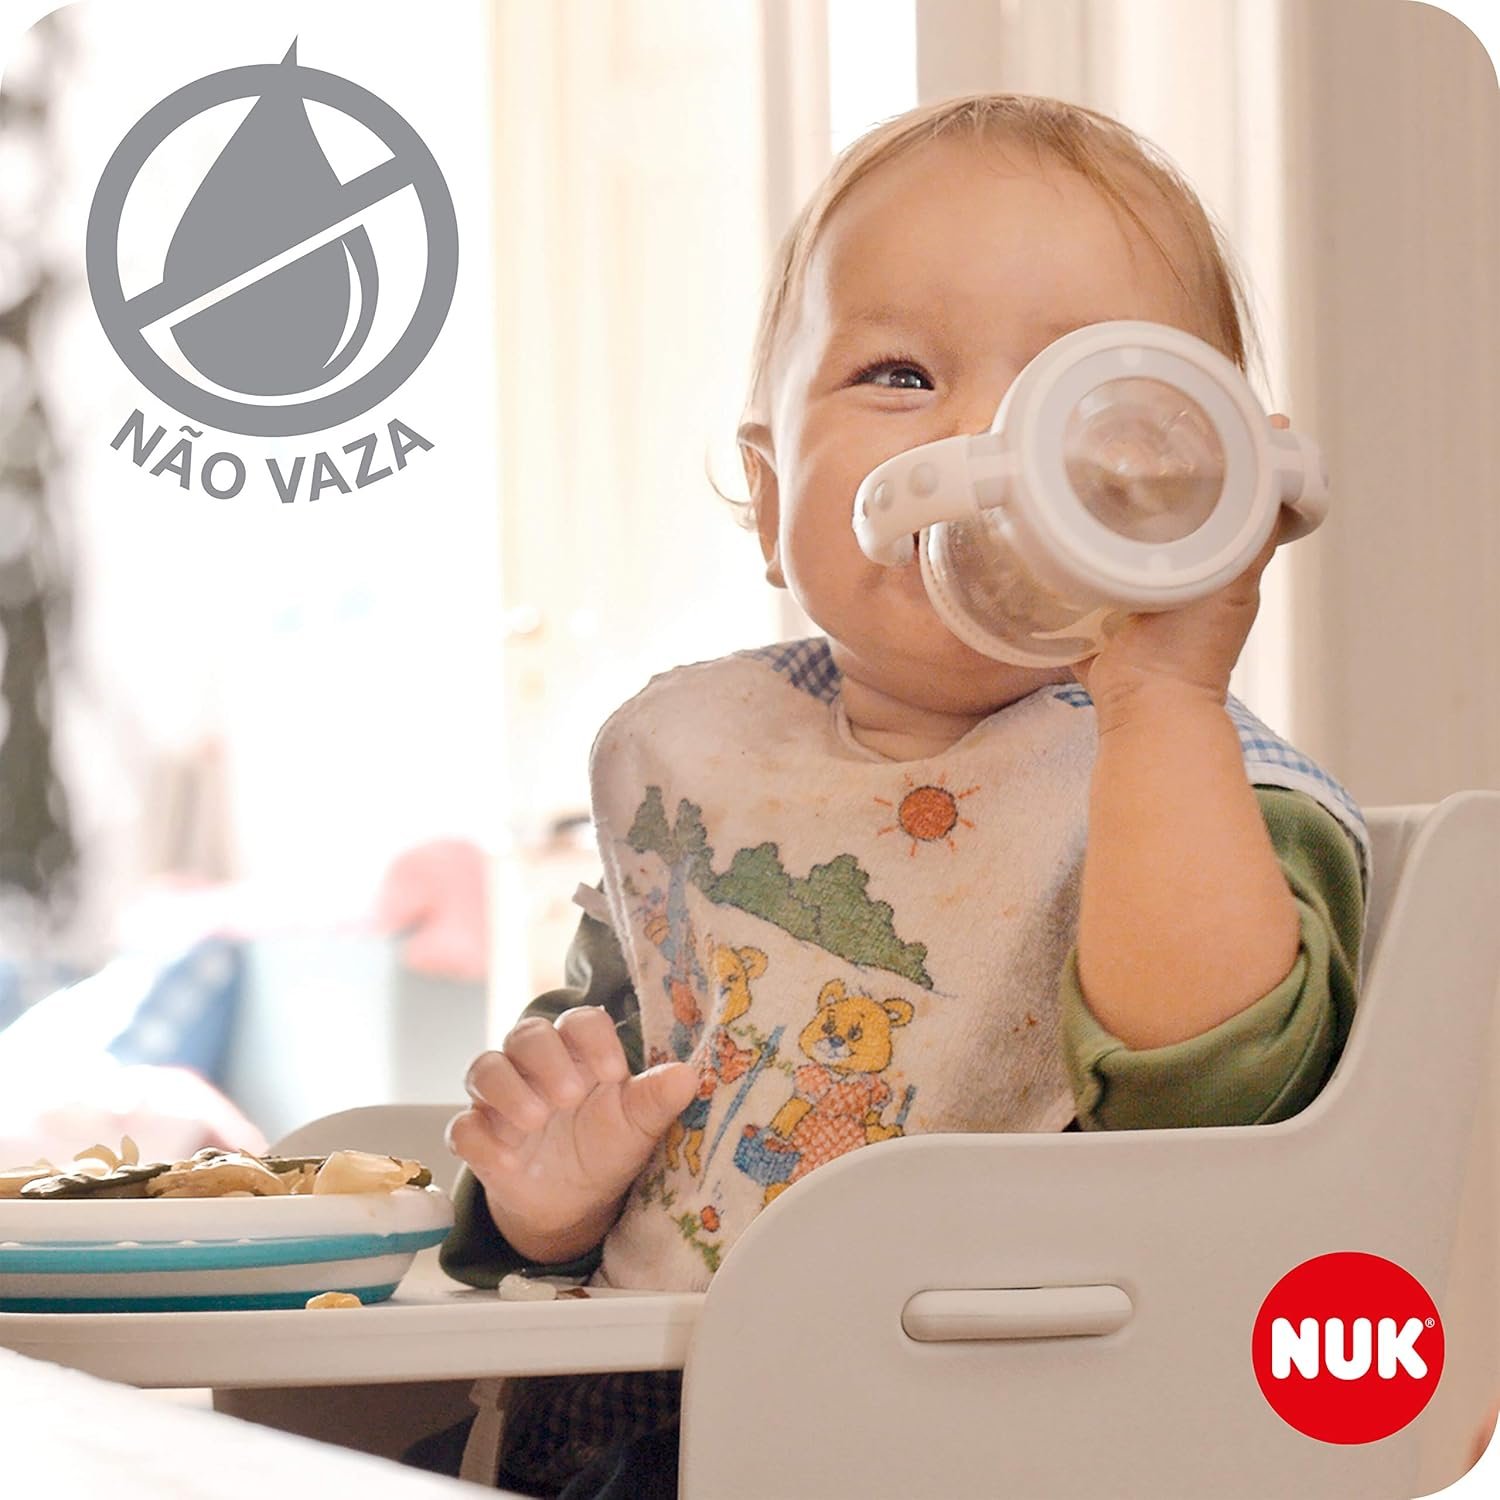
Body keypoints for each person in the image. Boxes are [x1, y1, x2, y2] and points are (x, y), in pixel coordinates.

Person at [420, 93, 1367, 1497]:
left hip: (1001, 1440)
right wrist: (546, 1198)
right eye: (903, 376)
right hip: (645, 1428)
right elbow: (619, 1055)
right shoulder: (705, 774)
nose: (984, 438)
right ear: (767, 497)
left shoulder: (1190, 783)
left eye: (1079, 396)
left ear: (1203, 477)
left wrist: (1164, 700)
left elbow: (1222, 1105)